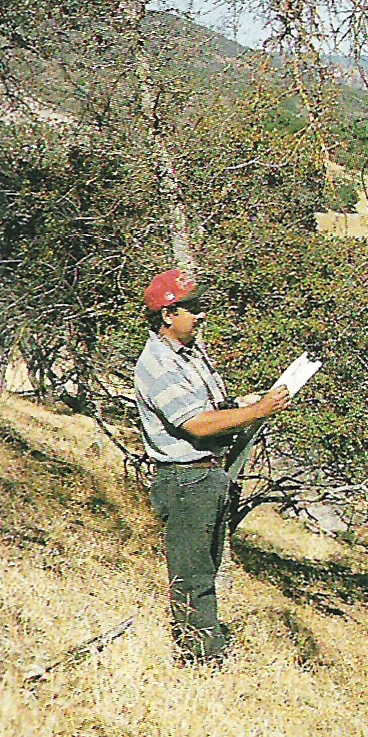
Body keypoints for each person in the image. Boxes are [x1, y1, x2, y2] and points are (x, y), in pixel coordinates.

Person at [134, 268, 290, 665]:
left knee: (205, 566)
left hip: (207, 475)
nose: (201, 315)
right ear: (168, 315)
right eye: (193, 307)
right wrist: (258, 411)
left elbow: (211, 409)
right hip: (185, 480)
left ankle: (205, 645)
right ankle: (201, 658)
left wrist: (246, 404)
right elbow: (197, 424)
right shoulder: (157, 365)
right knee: (192, 572)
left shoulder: (190, 355)